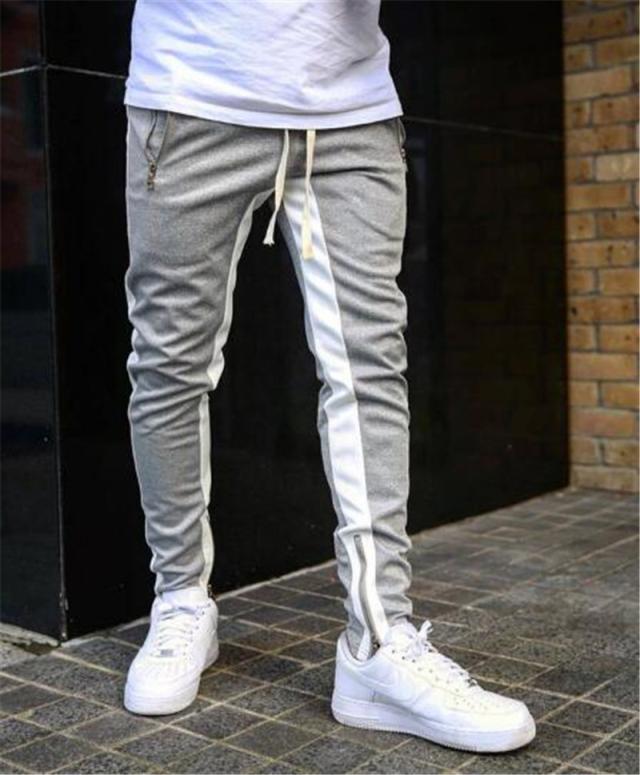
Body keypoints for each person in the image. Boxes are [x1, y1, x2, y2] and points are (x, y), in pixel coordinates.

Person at [121, 0, 535, 753]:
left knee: (369, 366)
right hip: (191, 95)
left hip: (349, 109)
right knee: (169, 364)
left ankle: (377, 641)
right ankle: (180, 600)